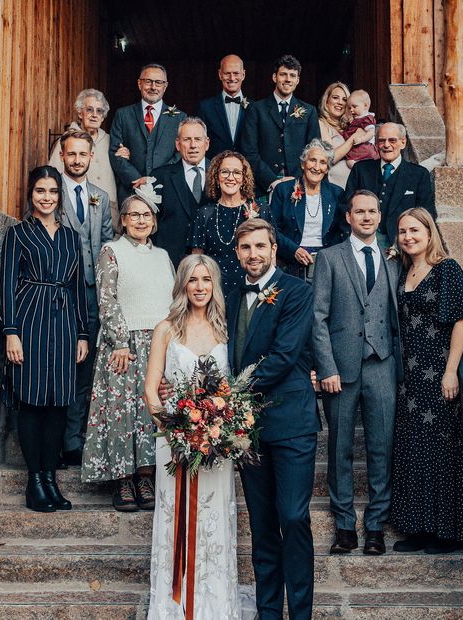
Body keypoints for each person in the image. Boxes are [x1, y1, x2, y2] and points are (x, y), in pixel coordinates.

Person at [227, 218, 319, 620]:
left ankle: (300, 613)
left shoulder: (297, 291)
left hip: (292, 422)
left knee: (294, 517)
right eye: (246, 248)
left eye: (260, 247)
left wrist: (226, 393)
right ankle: (268, 613)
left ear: (274, 249)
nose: (254, 255)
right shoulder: (228, 296)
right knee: (262, 526)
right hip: (246, 429)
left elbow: (283, 356)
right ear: (237, 253)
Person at [144, 254, 243, 619]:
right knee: (177, 523)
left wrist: (225, 425)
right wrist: (172, 432)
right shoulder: (166, 329)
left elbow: (234, 388)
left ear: (214, 285)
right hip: (176, 444)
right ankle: (175, 604)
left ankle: (214, 605)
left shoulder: (226, 329)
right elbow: (152, 390)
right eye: (193, 280)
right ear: (182, 285)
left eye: (206, 280)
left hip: (218, 444)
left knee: (214, 522)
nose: (200, 287)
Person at [312, 190, 402, 555]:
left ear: (380, 216)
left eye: (372, 211)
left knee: (383, 447)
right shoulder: (329, 258)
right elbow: (317, 317)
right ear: (348, 217)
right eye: (359, 212)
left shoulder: (394, 260)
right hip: (341, 369)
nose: (366, 217)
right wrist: (326, 367)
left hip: (382, 364)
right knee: (340, 447)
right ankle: (345, 525)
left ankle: (376, 525)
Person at [0, 166, 89, 512]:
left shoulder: (70, 237)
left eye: (52, 191)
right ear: (31, 194)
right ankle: (34, 481)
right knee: (33, 401)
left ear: (59, 195)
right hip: (30, 321)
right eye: (40, 191)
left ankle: (51, 479)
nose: (47, 197)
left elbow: (79, 287)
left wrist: (82, 332)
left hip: (65, 324)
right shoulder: (19, 234)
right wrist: (11, 332)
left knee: (58, 404)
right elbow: (6, 284)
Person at [391, 207, 463, 554]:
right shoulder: (404, 270)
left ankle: (447, 533)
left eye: (414, 230)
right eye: (402, 232)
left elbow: (462, 320)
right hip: (410, 374)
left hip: (438, 371)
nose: (408, 237)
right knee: (413, 447)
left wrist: (451, 370)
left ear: (429, 233)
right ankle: (419, 529)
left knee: (441, 447)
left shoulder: (447, 270)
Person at [81, 192, 175, 511]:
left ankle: (146, 476)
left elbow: (173, 303)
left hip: (158, 344)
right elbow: (106, 299)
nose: (140, 221)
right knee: (122, 411)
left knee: (150, 412)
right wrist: (120, 341)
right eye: (134, 215)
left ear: (154, 220)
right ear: (122, 220)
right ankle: (123, 480)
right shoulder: (112, 251)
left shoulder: (162, 256)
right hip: (124, 345)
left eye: (146, 215)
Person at [54, 130, 113, 467]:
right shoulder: (50, 190)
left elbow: (105, 245)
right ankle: (55, 440)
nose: (77, 160)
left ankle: (74, 441)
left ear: (92, 157)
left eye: (82, 154)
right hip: (58, 293)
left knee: (83, 369)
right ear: (63, 156)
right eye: (71, 154)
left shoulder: (99, 197)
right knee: (57, 365)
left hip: (89, 294)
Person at [188, 151, 274, 296]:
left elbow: (271, 257)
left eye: (236, 173)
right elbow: (197, 261)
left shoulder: (261, 211)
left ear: (243, 178)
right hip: (215, 292)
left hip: (251, 289)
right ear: (216, 176)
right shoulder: (205, 213)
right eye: (225, 172)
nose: (230, 177)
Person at [345, 122, 437, 247]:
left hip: (403, 245)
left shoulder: (419, 174)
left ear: (403, 143)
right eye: (381, 141)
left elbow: (426, 213)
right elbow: (346, 207)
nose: (386, 145)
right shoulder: (360, 169)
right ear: (376, 144)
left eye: (392, 140)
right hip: (363, 242)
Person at [240, 54, 320, 196]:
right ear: (274, 77)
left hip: (299, 184)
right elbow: (249, 151)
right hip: (263, 185)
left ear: (298, 80)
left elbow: (314, 150)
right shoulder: (256, 109)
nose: (288, 79)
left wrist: (297, 179)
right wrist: (271, 181)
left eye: (292, 75)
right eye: (283, 74)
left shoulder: (309, 111)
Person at [269, 139, 346, 281]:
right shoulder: (284, 190)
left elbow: (341, 231)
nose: (317, 167)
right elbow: (272, 230)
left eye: (323, 162)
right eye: (312, 160)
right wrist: (294, 250)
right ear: (303, 163)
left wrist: (329, 256)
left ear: (327, 168)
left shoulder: (337, 193)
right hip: (290, 260)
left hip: (326, 261)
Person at [108, 63, 186, 202]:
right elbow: (115, 151)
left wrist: (157, 179)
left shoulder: (180, 118)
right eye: (148, 81)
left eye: (158, 82)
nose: (153, 87)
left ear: (165, 86)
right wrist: (137, 179)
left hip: (166, 190)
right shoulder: (123, 114)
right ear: (139, 84)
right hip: (130, 191)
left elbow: (181, 154)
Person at [49, 88, 119, 232]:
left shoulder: (109, 140)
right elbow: (53, 176)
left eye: (99, 111)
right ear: (80, 113)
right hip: (78, 207)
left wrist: (125, 154)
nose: (94, 115)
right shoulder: (67, 140)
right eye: (89, 110)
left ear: (104, 116)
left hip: (108, 209)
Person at [152, 117, 212, 267]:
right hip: (169, 263)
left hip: (212, 262)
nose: (193, 145)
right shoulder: (160, 177)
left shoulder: (221, 175)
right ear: (178, 144)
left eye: (198, 139)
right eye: (187, 140)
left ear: (207, 143)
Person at [317, 82, 373, 189]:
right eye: (335, 98)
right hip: (337, 186)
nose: (340, 103)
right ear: (326, 101)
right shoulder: (321, 124)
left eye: (344, 100)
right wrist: (353, 138)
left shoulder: (352, 125)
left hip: (361, 184)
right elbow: (330, 158)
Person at [195, 54, 249, 157]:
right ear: (220, 74)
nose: (232, 78)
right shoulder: (205, 107)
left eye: (236, 73)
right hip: (213, 169)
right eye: (227, 73)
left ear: (243, 74)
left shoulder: (255, 108)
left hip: (247, 169)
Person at [341, 89, 378, 167]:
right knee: (349, 162)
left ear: (365, 105)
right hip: (355, 148)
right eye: (350, 108)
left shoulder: (366, 118)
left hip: (364, 147)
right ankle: (359, 171)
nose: (351, 110)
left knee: (352, 162)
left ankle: (361, 170)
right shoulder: (356, 118)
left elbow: (371, 132)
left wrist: (362, 139)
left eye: (354, 106)